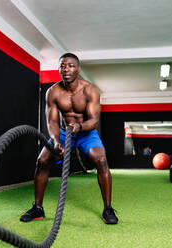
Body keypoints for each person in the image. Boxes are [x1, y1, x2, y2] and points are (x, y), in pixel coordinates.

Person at [20, 53, 118, 224]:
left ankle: (108, 208)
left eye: (70, 65)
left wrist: (80, 127)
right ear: (59, 69)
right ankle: (37, 208)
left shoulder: (90, 89)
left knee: (101, 160)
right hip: (65, 133)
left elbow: (94, 120)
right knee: (42, 161)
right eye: (62, 65)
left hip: (86, 132)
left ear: (78, 69)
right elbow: (52, 121)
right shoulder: (53, 92)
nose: (66, 69)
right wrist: (56, 140)